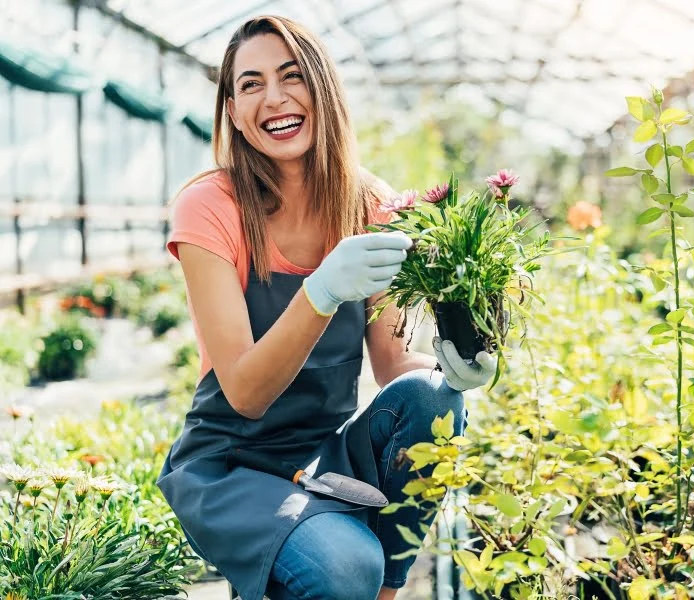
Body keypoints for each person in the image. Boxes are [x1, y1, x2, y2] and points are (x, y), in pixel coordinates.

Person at [156, 15, 497, 600]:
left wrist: (456, 370)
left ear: (324, 89)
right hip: (231, 465)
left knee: (432, 399)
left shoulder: (369, 202)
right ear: (233, 110)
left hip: (324, 454)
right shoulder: (210, 206)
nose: (274, 98)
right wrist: (321, 292)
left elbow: (393, 364)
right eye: (251, 84)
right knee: (343, 566)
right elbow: (245, 393)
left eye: (291, 76)